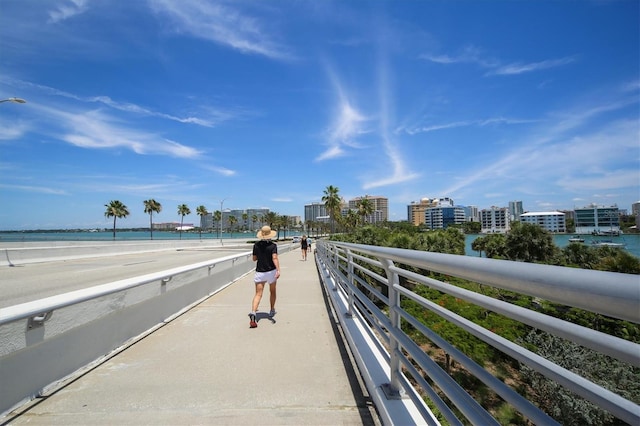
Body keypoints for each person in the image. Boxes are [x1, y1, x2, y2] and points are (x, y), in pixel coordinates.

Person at [249, 225, 280, 328]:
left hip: (260, 272)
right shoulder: (273, 246)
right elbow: (274, 258)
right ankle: (271, 310)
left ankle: (253, 313)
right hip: (271, 271)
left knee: (258, 294)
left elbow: (254, 259)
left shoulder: (256, 245)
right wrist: (278, 270)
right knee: (272, 291)